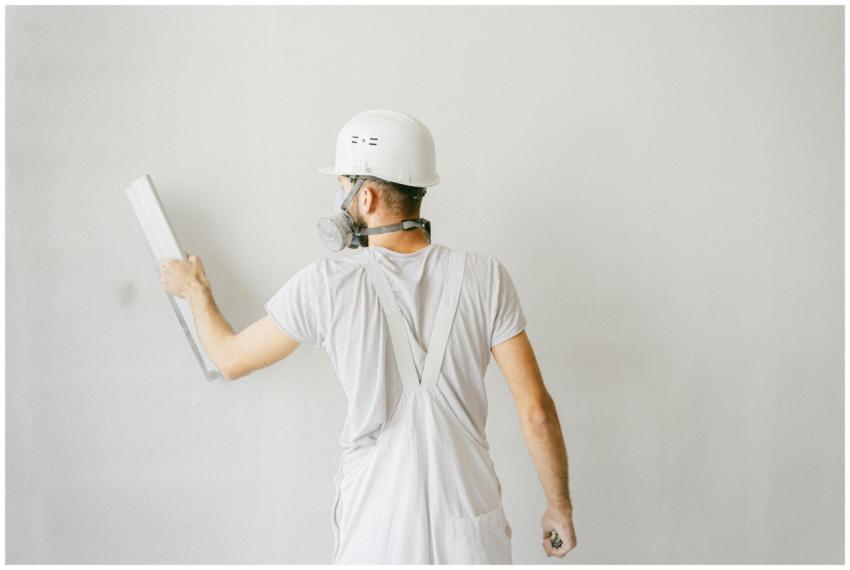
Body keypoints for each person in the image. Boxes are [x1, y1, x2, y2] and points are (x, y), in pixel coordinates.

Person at [158, 109, 577, 564]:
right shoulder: (486, 277)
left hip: (378, 531)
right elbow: (536, 410)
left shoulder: (326, 283)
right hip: (470, 528)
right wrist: (559, 508)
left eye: (343, 188)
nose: (340, 201)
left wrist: (195, 291)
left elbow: (229, 358)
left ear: (368, 197)